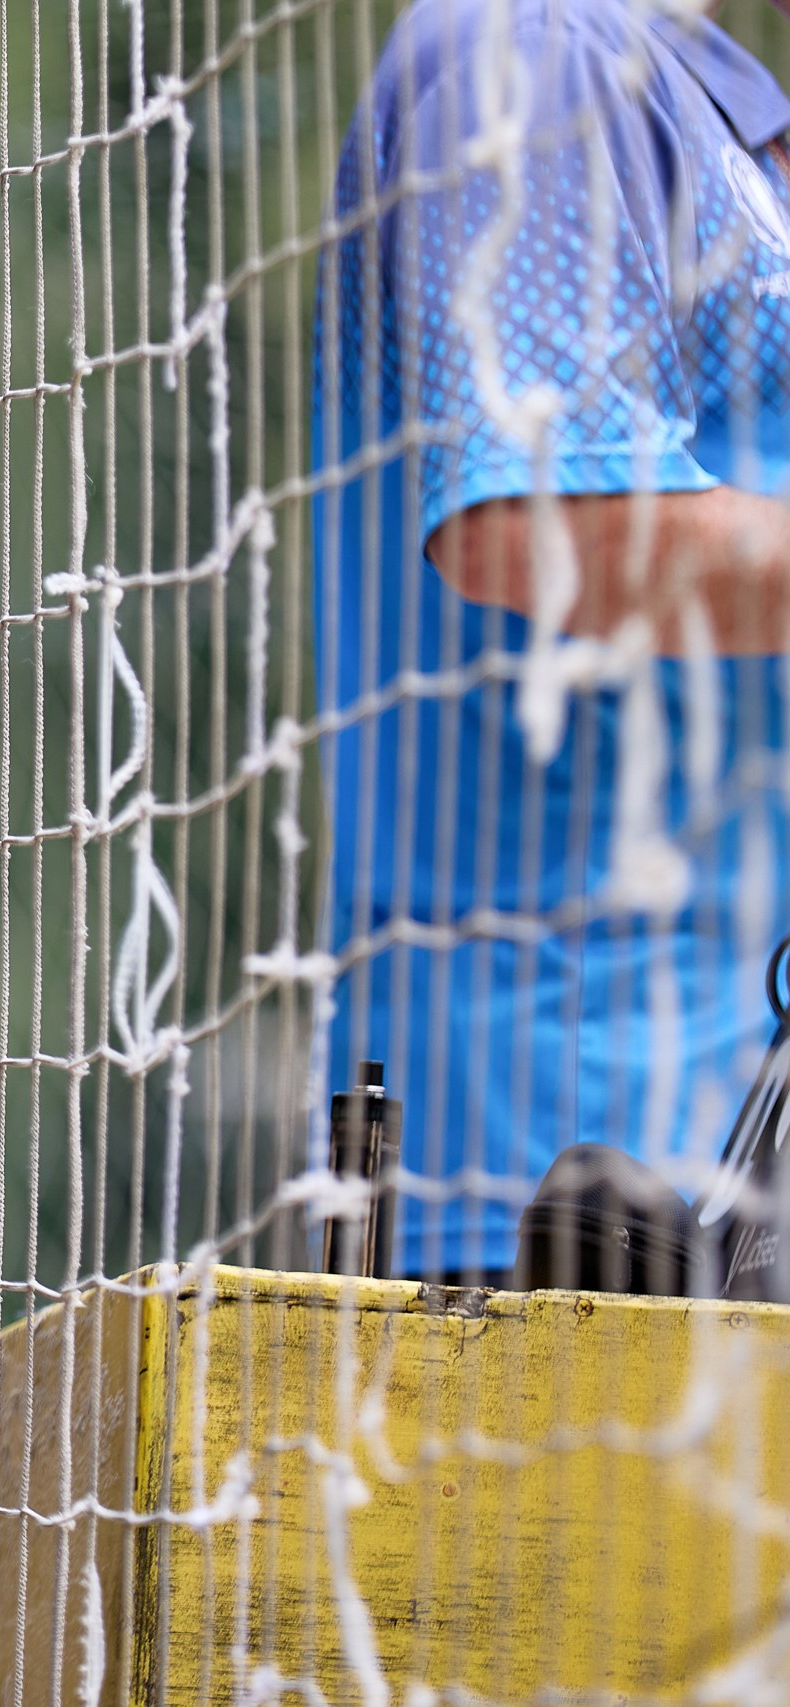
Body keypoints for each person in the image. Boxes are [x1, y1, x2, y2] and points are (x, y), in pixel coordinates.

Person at [316, 0, 790, 1282]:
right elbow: (534, 524)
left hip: (724, 1174)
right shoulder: (526, 45)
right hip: (548, 1188)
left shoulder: (729, 123)